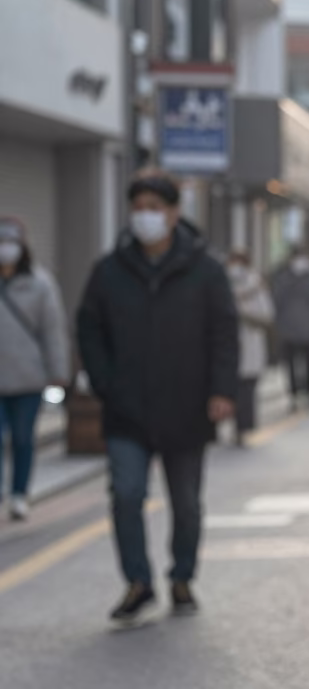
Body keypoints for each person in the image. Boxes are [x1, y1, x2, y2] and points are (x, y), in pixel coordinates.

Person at [77, 173, 238, 623]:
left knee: (185, 502)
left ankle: (182, 575)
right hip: (126, 408)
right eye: (138, 206)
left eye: (154, 206)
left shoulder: (205, 269)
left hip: (187, 405)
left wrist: (222, 390)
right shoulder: (109, 270)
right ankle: (138, 582)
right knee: (126, 494)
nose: (144, 215)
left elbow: (225, 331)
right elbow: (88, 327)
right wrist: (103, 381)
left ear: (173, 213)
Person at [0, 216, 70, 521]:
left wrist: (59, 372)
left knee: (23, 437)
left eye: (11, 243)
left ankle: (19, 494)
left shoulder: (40, 283)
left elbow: (52, 331)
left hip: (29, 377)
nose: (6, 249)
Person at [227, 251, 274, 447]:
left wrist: (241, 313)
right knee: (231, 389)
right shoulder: (220, 283)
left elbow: (267, 317)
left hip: (250, 345)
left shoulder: (256, 286)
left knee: (246, 390)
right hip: (228, 347)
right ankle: (233, 426)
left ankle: (242, 428)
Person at [271, 246, 309, 412]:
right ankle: (294, 394)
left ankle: (307, 392)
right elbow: (276, 300)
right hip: (289, 330)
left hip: (308, 329)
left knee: (308, 363)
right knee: (290, 365)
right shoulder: (283, 278)